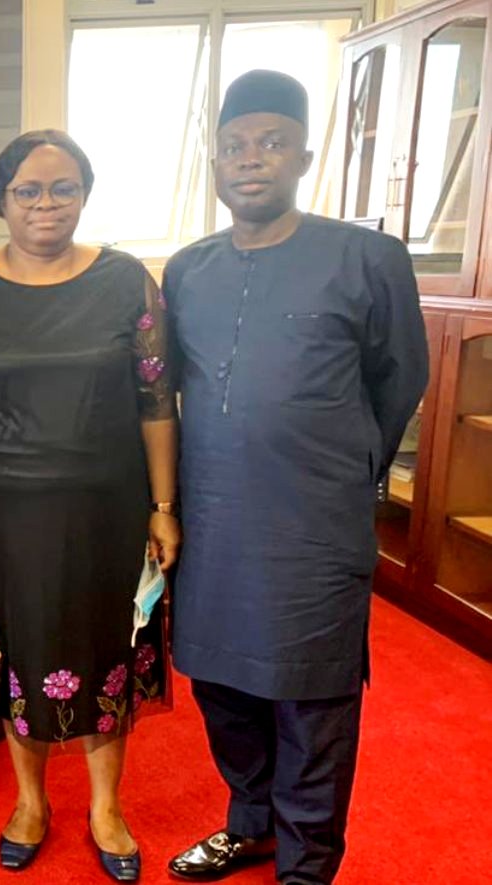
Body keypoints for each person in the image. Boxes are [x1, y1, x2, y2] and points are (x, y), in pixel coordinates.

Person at [164, 70, 428, 885]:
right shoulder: (186, 270)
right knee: (220, 686)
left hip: (314, 528)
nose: (252, 160)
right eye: (236, 146)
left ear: (304, 156)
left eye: (271, 143)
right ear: (215, 160)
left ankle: (307, 867)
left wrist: (343, 470)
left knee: (313, 705)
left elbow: (401, 380)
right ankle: (251, 823)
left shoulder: (367, 258)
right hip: (213, 522)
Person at [0, 129, 180, 883]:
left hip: (110, 510)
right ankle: (30, 802)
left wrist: (164, 505)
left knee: (105, 653)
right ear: (1, 200)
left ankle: (106, 805)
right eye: (28, 190)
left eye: (62, 188)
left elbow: (157, 400)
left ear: (85, 195)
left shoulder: (129, 281)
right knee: (21, 656)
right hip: (3, 518)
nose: (45, 204)